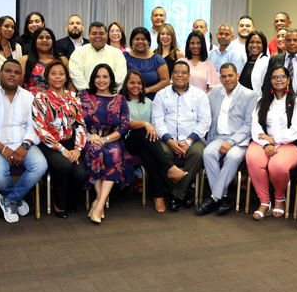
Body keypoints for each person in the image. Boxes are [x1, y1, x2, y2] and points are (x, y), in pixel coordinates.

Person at [0, 59, 47, 223]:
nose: (12, 75)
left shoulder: (29, 96)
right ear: (0, 73)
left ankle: (9, 199)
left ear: (21, 76)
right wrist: (3, 149)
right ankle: (15, 197)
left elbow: (34, 126)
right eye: (8, 71)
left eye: (17, 72)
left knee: (40, 166)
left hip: (22, 144)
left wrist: (24, 146)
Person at [121, 70, 188, 213]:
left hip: (146, 143)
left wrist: (149, 127)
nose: (136, 86)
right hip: (128, 141)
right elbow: (126, 123)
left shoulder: (149, 102)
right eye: (132, 82)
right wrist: (146, 124)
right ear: (126, 84)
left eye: (139, 83)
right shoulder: (121, 101)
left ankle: (159, 197)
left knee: (149, 156)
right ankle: (170, 168)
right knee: (144, 131)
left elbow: (156, 124)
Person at [247, 66, 297, 221]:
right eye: (275, 77)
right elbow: (256, 125)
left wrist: (276, 140)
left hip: (290, 143)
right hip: (264, 142)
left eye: (282, 77)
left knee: (277, 165)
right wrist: (267, 144)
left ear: (288, 79)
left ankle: (280, 199)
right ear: (270, 80)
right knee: (252, 157)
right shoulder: (262, 100)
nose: (278, 80)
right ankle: (265, 202)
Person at [197, 63, 257, 216]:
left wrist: (231, 142)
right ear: (220, 78)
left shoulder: (250, 95)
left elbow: (249, 124)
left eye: (230, 75)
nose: (227, 79)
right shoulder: (215, 92)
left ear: (237, 75)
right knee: (208, 153)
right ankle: (223, 197)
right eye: (223, 76)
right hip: (218, 137)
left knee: (232, 156)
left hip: (239, 140)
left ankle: (214, 197)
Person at [152, 61, 211, 211]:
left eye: (184, 72)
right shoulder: (161, 95)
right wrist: (169, 141)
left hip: (193, 139)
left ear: (189, 76)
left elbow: (205, 122)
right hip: (167, 138)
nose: (180, 75)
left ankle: (176, 194)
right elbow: (157, 121)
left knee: (198, 154)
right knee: (162, 153)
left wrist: (189, 141)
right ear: (172, 76)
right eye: (176, 72)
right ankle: (183, 193)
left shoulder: (200, 95)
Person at [79, 64, 134, 224]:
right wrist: (89, 136)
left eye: (105, 76)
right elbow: (76, 121)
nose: (101, 80)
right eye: (98, 76)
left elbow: (124, 126)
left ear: (111, 79)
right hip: (89, 139)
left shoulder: (120, 99)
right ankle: (99, 201)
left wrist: (105, 139)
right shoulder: (83, 96)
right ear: (93, 79)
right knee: (96, 150)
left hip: (112, 139)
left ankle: (99, 204)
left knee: (114, 153)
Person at [33, 61, 87, 218]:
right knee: (64, 166)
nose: (58, 77)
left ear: (66, 77)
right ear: (47, 77)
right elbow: (40, 129)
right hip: (50, 144)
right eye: (53, 73)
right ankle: (60, 204)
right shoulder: (40, 97)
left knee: (80, 173)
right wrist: (62, 150)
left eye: (61, 74)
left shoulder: (73, 97)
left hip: (72, 143)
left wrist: (78, 149)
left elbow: (80, 125)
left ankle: (70, 203)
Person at [69, 22, 127, 91]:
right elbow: (76, 77)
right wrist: (90, 94)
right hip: (86, 97)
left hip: (111, 97)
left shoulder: (117, 53)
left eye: (101, 33)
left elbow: (120, 78)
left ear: (107, 35)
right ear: (88, 35)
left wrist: (107, 92)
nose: (98, 36)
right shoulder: (78, 53)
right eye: (94, 33)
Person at [124, 27, 168, 100]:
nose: (140, 42)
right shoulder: (124, 57)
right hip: (128, 100)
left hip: (152, 101)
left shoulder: (157, 59)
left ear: (149, 42)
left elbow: (165, 81)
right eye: (137, 39)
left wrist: (147, 90)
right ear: (132, 41)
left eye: (143, 39)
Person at [18, 27, 59, 95]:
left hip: (55, 102)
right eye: (41, 37)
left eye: (48, 38)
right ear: (34, 41)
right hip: (30, 102)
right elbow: (18, 86)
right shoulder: (24, 60)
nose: (44, 40)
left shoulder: (61, 60)